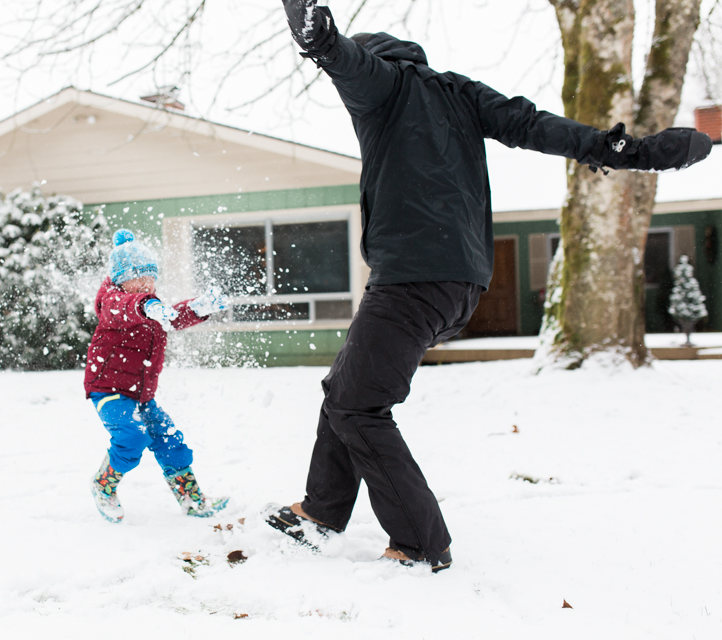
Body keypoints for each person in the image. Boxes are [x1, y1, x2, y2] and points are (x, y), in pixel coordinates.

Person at [264, 0, 713, 571]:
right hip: (460, 282)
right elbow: (534, 126)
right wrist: (629, 150)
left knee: (359, 406)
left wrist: (321, 38)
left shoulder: (385, 84)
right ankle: (323, 512)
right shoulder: (457, 91)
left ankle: (421, 543)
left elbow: (348, 62)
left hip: (411, 276)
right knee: (347, 387)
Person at [85, 228, 230, 523]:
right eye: (139, 276)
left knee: (169, 440)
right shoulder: (111, 301)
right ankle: (103, 485)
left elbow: (172, 318)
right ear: (121, 278)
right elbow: (123, 309)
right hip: (108, 390)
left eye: (151, 276)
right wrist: (145, 305)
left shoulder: (150, 307)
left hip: (141, 396)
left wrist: (198, 308)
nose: (148, 283)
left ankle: (191, 498)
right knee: (132, 439)